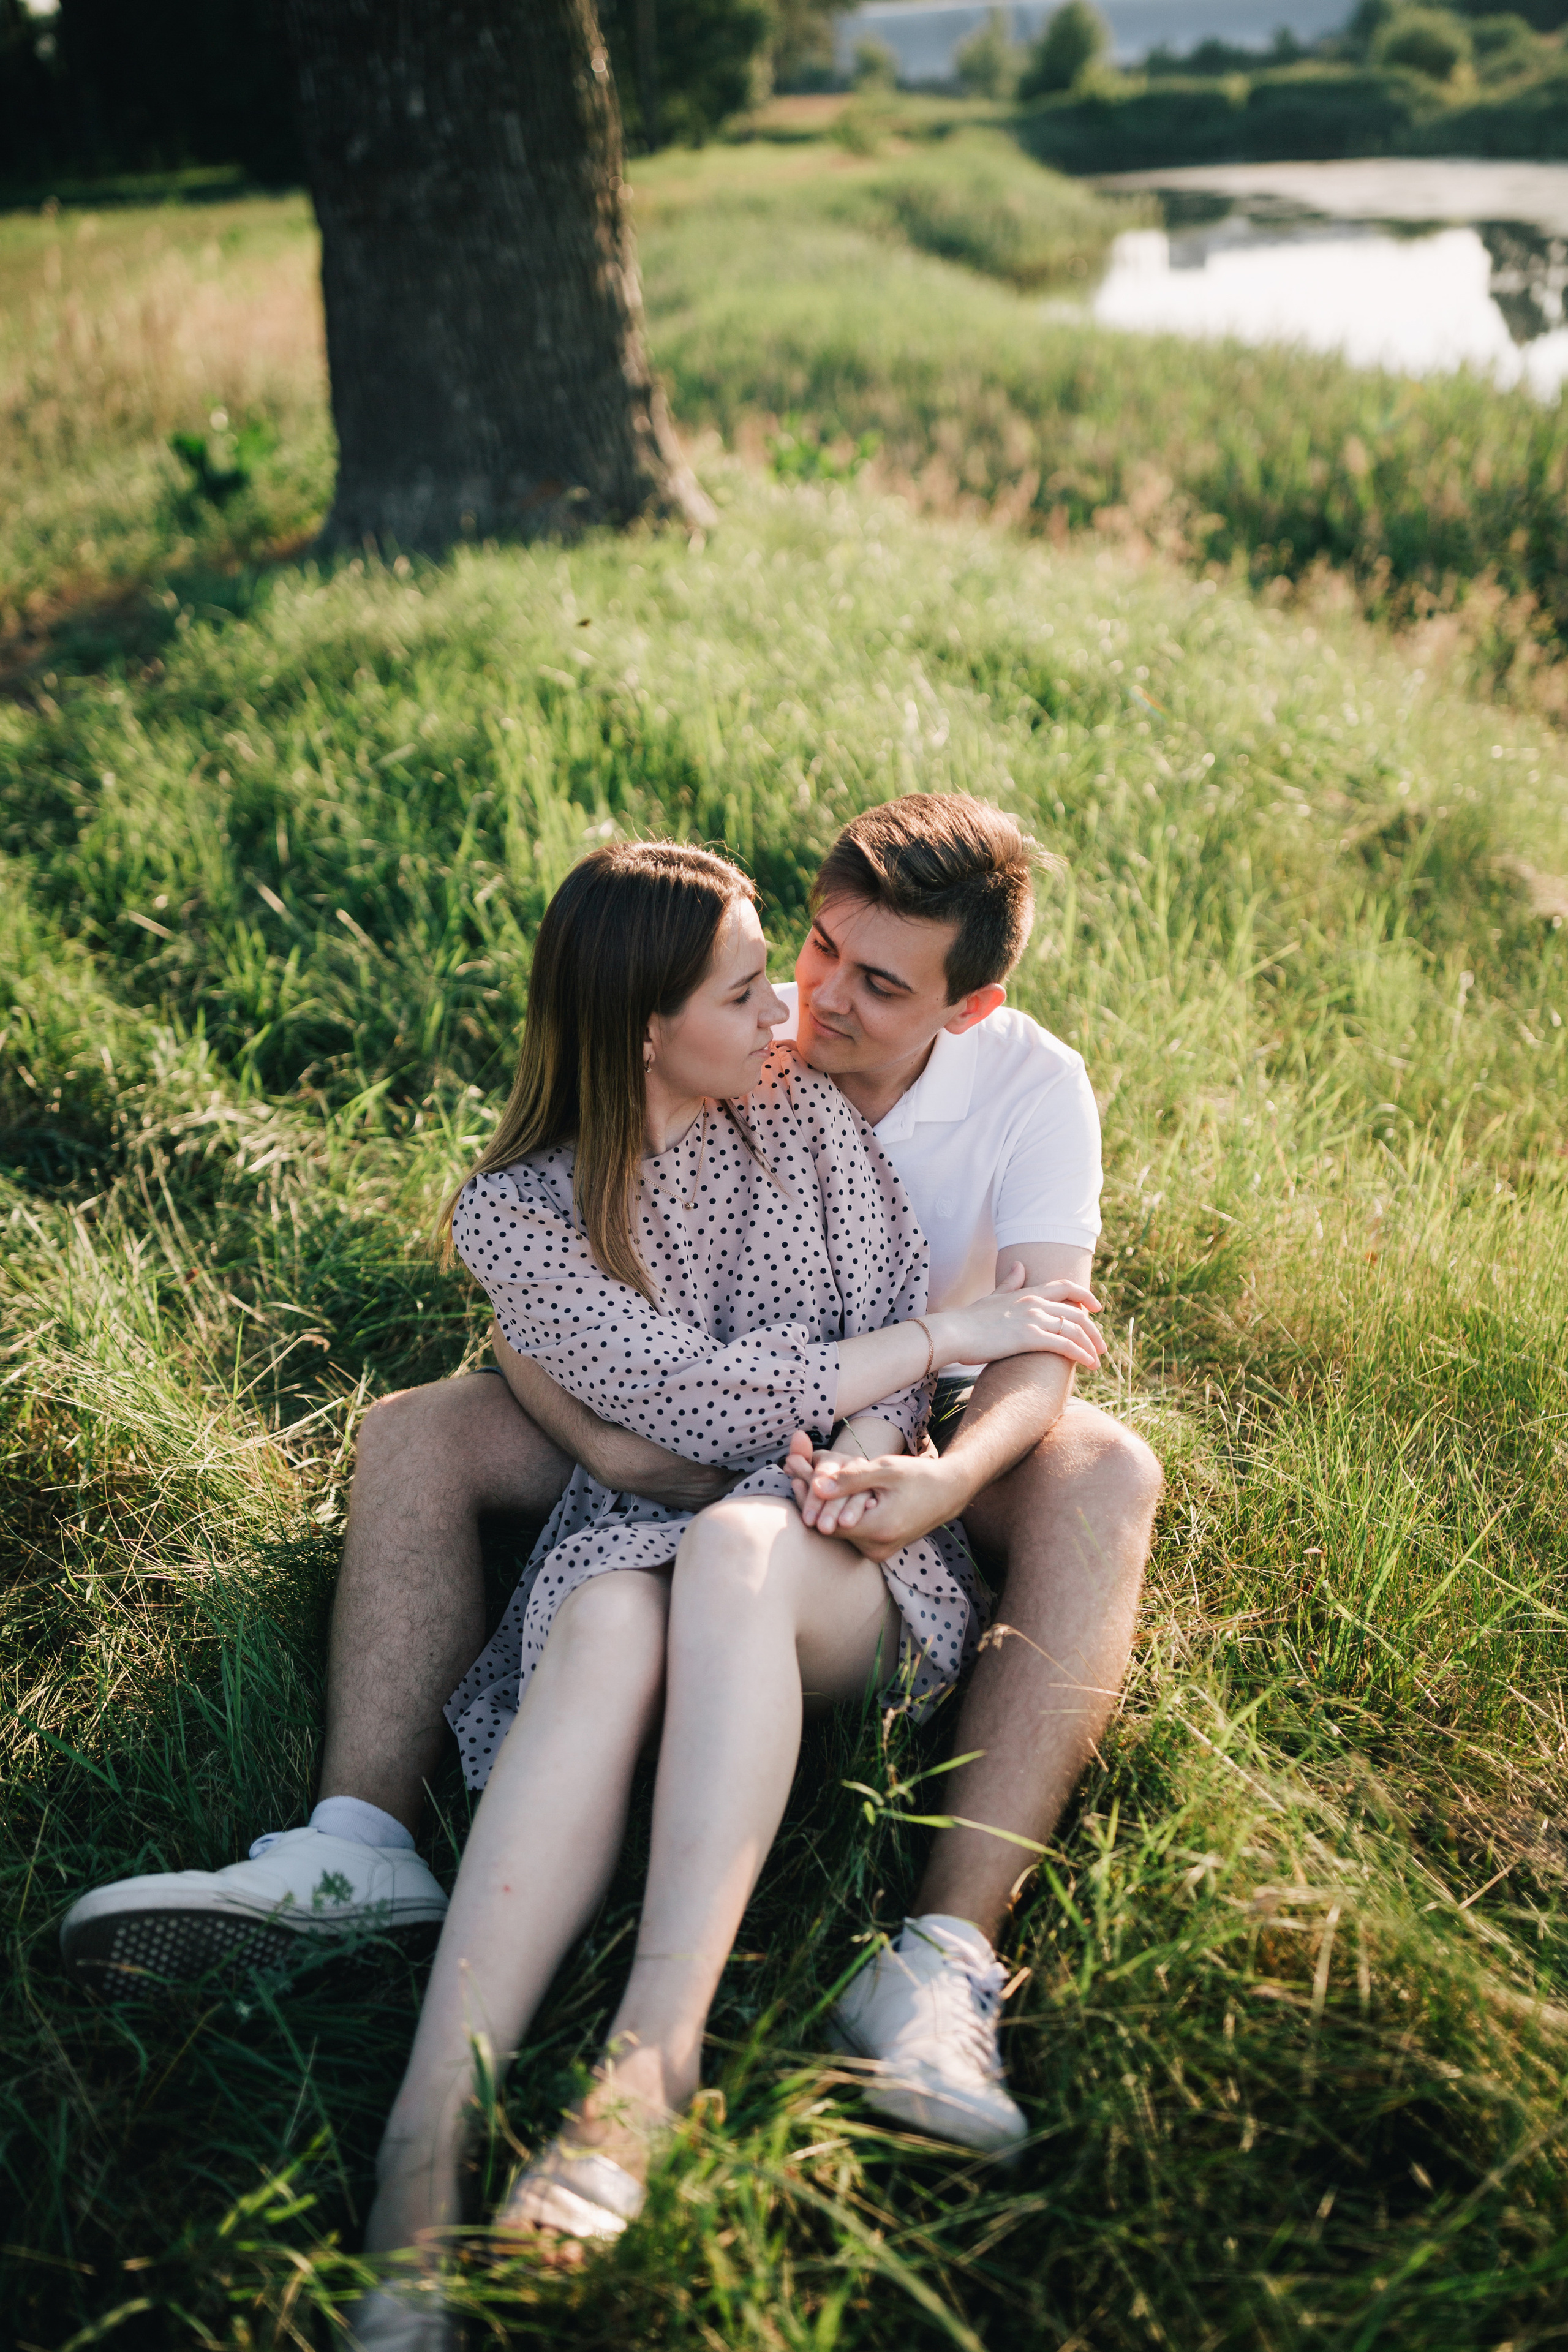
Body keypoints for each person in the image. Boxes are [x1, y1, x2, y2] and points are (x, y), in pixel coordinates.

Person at [61, 794, 1163, 2158]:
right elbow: (568, 1279)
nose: (815, 1002)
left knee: (1103, 1464)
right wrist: (598, 1441)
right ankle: (358, 1841)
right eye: (812, 951)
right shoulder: (734, 1054)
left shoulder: (1020, 1087)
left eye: (877, 985)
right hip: (683, 1383)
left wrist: (937, 1470)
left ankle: (940, 1952)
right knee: (412, 1430)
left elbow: (1043, 1340)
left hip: (901, 1424)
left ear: (968, 1006)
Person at [331, 840, 1099, 2345]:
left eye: (797, 978)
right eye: (754, 986)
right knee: (617, 1608)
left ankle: (648, 2065)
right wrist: (934, 1336)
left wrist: (876, 1452)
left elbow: (877, 1340)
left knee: (740, 1545)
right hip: (633, 1534)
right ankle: (417, 2167)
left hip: (833, 1563)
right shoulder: (515, 1217)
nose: (790, 1016)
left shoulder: (807, 1121)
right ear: (639, 1029)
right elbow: (674, 1399)